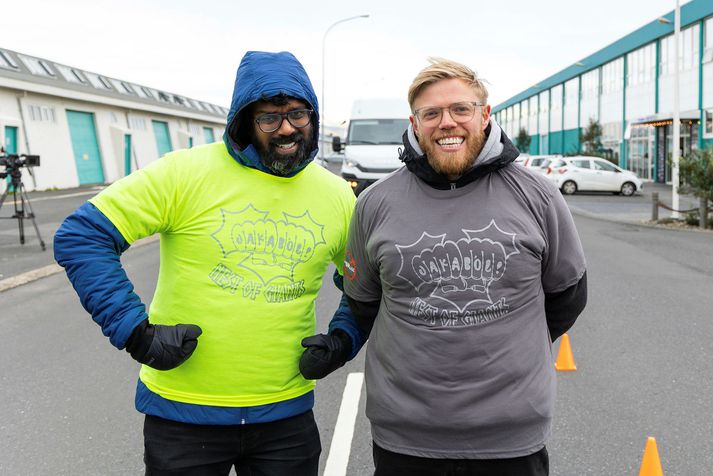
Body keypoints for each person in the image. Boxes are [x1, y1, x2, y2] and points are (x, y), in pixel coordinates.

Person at [54, 50, 364, 476]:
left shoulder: (336, 195)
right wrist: (135, 332)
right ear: (243, 121)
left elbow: (362, 282)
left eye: (297, 114)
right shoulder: (184, 173)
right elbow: (82, 236)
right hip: (183, 417)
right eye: (269, 118)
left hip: (285, 419)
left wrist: (344, 340)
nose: (287, 128)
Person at [300, 58, 588, 475]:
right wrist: (339, 343)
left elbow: (567, 296)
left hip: (511, 435)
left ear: (485, 115)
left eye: (460, 109)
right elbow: (362, 302)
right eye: (431, 113)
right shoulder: (375, 204)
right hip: (406, 435)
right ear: (415, 124)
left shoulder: (537, 195)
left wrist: (513, 348)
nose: (446, 122)